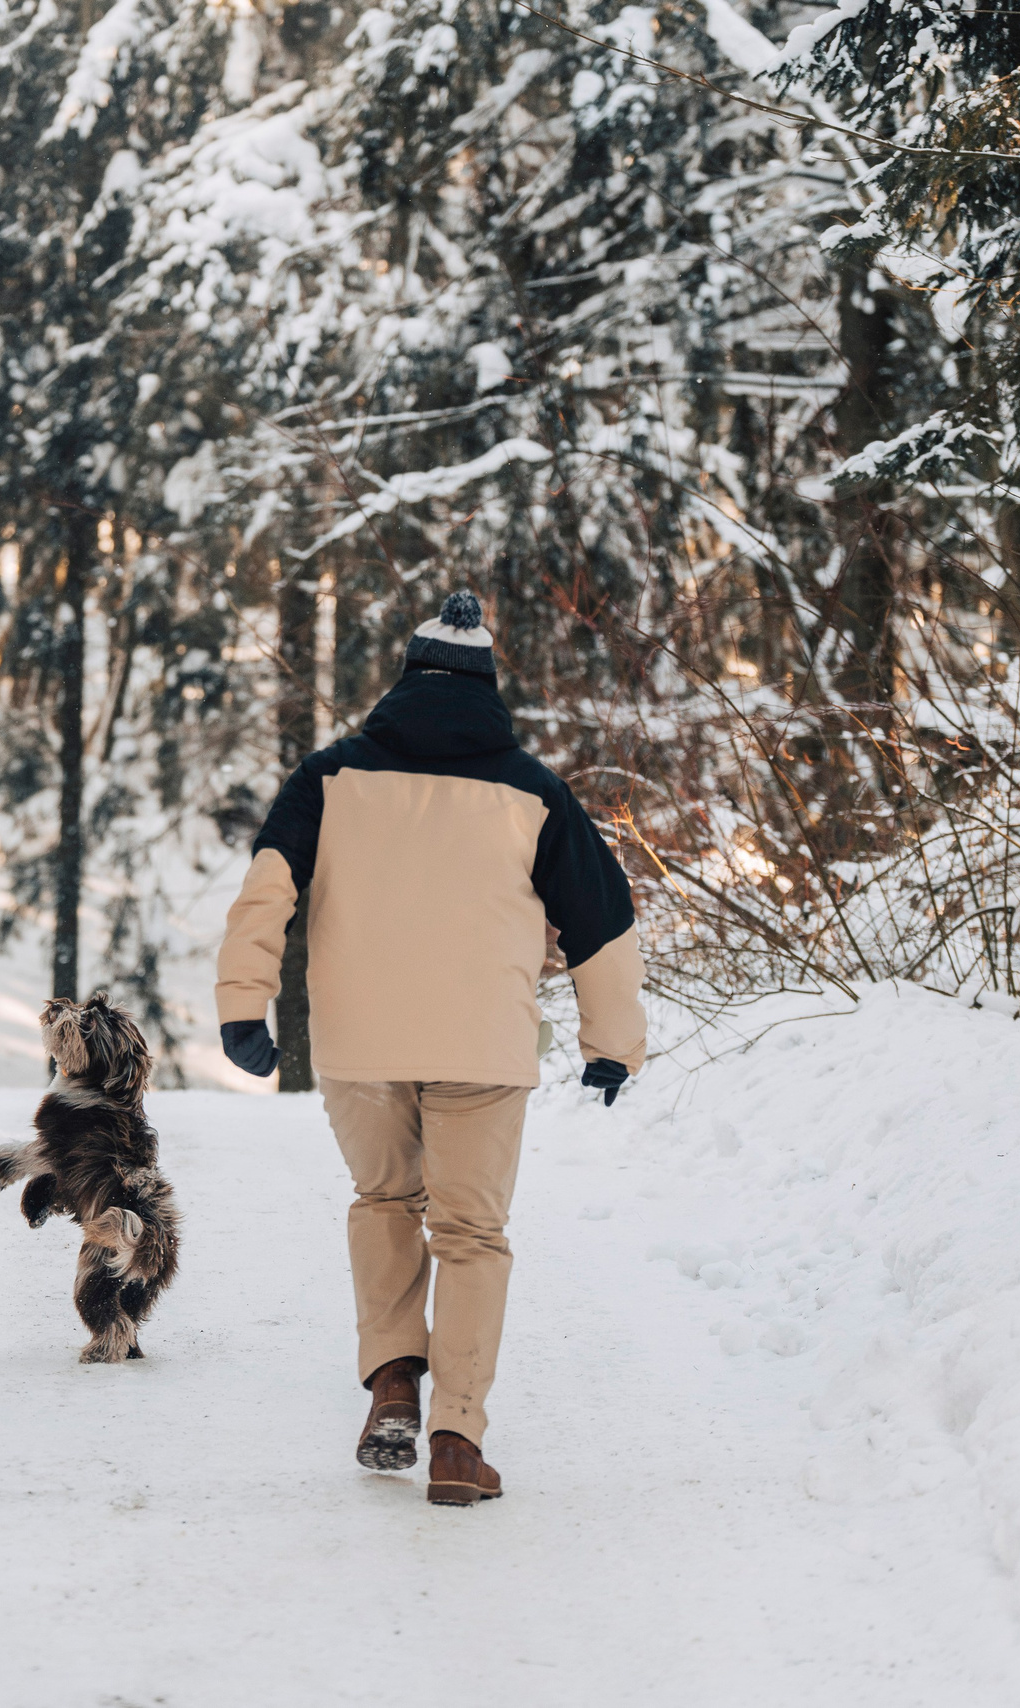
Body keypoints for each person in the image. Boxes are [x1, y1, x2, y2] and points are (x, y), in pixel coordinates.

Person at [213, 592, 646, 1504]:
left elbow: (268, 887)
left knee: (384, 1201)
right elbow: (602, 920)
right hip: (482, 1043)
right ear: (489, 688)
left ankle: (392, 1386)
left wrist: (244, 1004)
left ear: (406, 677)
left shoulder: (330, 775)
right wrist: (613, 1043)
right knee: (472, 1236)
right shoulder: (534, 792)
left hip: (360, 1043)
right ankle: (457, 1439)